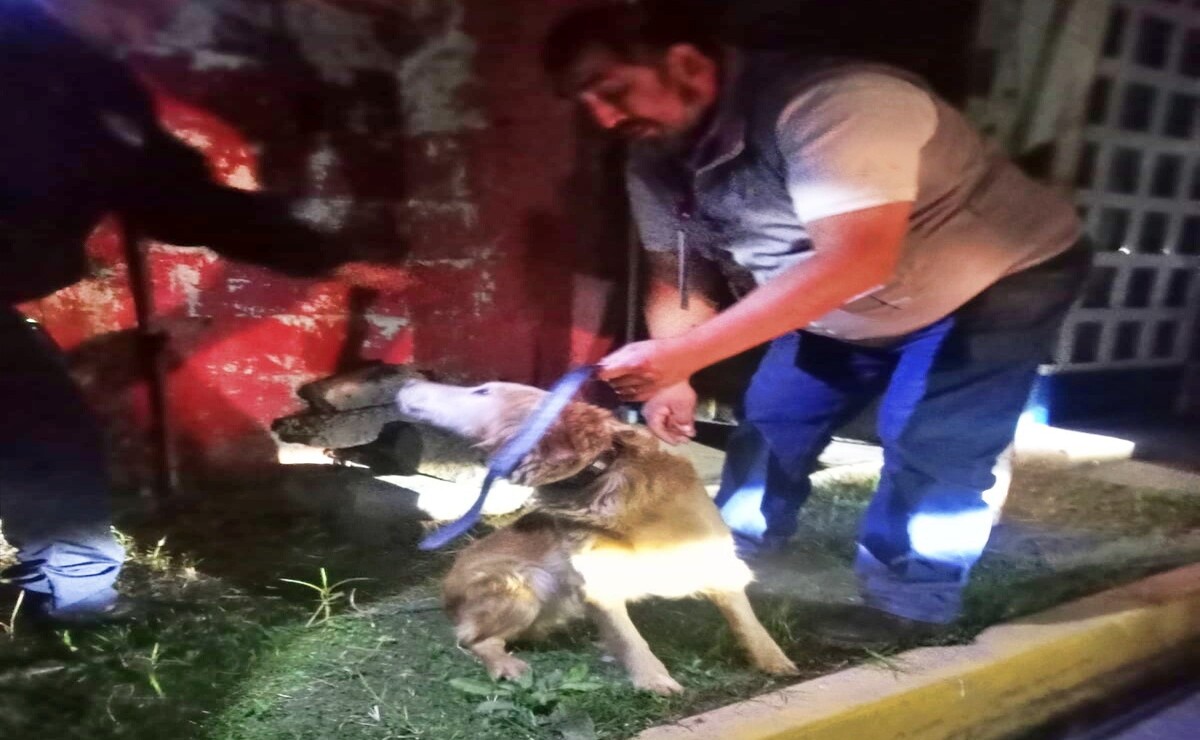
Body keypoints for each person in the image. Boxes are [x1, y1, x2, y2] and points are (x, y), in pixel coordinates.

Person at [543, 1, 1090, 644]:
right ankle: (732, 551)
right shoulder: (656, 157)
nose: (605, 118)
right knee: (774, 416)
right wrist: (674, 374)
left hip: (993, 280)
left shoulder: (839, 106)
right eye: (587, 103)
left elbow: (858, 258)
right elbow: (678, 272)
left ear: (686, 64)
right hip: (839, 295)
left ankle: (911, 603)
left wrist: (685, 355)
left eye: (613, 91)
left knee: (932, 438)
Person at [0, 0, 403, 624]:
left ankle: (73, 598)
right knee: (43, 430)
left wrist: (328, 258)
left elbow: (178, 199)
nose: (158, 21)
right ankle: (72, 597)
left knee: (45, 431)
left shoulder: (93, 84)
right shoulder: (34, 62)